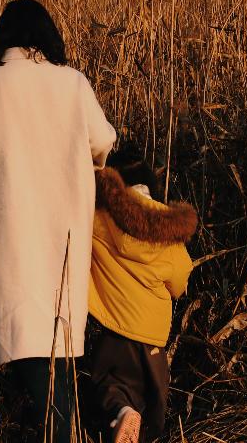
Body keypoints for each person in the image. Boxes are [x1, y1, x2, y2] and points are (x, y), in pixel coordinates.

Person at [0, 0, 116, 442]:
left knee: (27, 344)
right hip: (65, 235)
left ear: (4, 39)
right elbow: (104, 140)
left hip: (12, 235)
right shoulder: (73, 84)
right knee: (61, 347)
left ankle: (60, 433)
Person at [88, 144, 197, 442]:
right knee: (153, 409)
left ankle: (123, 413)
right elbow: (180, 280)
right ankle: (134, 420)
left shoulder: (98, 219)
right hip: (153, 340)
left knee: (111, 389)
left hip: (115, 331)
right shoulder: (170, 230)